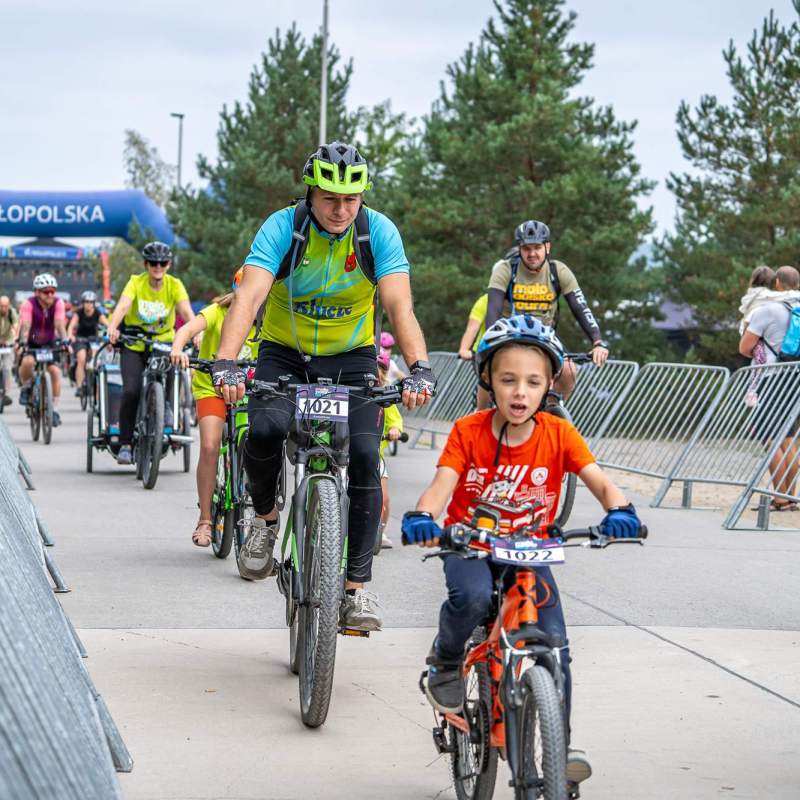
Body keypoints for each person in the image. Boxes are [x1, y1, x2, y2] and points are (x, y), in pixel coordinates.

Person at [401, 314, 643, 788]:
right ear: (487, 378)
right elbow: (442, 484)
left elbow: (599, 481)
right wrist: (423, 517)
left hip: (532, 550)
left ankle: (560, 749)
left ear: (549, 384)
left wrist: (621, 510)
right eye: (508, 379)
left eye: (532, 382)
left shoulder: (559, 434)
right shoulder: (469, 431)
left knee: (557, 646)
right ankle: (446, 662)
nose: (519, 392)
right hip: (469, 543)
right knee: (470, 601)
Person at [212, 141, 435, 630]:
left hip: (352, 360)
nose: (340, 209)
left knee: (364, 459)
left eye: (350, 200)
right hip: (283, 354)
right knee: (265, 431)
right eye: (330, 198)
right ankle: (266, 522)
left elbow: (400, 307)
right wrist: (226, 362)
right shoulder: (282, 229)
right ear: (311, 193)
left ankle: (356, 591)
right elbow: (249, 298)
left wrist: (418, 368)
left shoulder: (378, 234)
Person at [171, 268, 259, 547]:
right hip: (212, 386)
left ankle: (258, 513)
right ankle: (206, 519)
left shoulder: (267, 317)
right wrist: (177, 348)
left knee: (260, 444)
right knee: (210, 445)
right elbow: (187, 329)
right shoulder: (217, 311)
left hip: (249, 390)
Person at [485, 220, 608, 401]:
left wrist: (597, 341)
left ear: (547, 247)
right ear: (519, 249)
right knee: (490, 374)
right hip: (510, 334)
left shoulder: (558, 271)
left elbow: (581, 308)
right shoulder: (506, 269)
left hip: (544, 335)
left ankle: (549, 413)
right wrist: (492, 343)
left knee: (568, 370)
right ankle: (481, 412)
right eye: (526, 248)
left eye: (537, 248)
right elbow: (493, 310)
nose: (532, 253)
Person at [106, 241, 194, 466]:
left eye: (162, 263)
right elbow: (123, 306)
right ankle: (126, 443)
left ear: (168, 264)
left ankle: (166, 408)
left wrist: (196, 332)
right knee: (131, 391)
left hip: (163, 343)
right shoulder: (136, 282)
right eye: (153, 263)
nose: (158, 267)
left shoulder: (174, 285)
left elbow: (186, 311)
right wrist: (112, 328)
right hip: (134, 343)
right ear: (146, 264)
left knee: (175, 364)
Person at [739, 265, 800, 510]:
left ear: (776, 283)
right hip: (795, 377)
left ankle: (779, 497)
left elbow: (745, 347)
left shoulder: (768, 309)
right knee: (788, 439)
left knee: (770, 437)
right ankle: (791, 497)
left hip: (771, 377)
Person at [18, 274, 68, 425]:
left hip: (49, 342)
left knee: (55, 371)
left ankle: (54, 409)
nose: (51, 295)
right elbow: (25, 326)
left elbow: (59, 324)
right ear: (37, 292)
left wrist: (65, 341)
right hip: (32, 341)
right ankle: (27, 387)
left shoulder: (58, 303)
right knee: (27, 362)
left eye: (53, 291)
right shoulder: (28, 304)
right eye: (47, 292)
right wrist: (22, 343)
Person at [377, 348, 404, 549]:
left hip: (374, 455)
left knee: (383, 497)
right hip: (344, 453)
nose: (377, 375)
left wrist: (394, 429)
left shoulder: (384, 399)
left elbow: (395, 420)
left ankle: (381, 530)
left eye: (381, 371)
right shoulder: (351, 393)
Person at [67, 290, 108, 396]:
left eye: (91, 302)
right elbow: (71, 326)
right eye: (86, 302)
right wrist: (70, 336)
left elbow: (108, 324)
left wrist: (111, 332)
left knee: (94, 360)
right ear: (83, 303)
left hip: (94, 339)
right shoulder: (79, 313)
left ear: (94, 303)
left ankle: (94, 382)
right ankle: (79, 387)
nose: (88, 304)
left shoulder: (98, 313)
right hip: (81, 339)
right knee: (81, 359)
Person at [457, 293, 492, 410]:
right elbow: (472, 328)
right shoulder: (485, 300)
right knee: (487, 382)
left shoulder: (521, 301)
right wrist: (464, 349)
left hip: (512, 353)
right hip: (484, 352)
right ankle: (480, 414)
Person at [0, 295, 19, 406]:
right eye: (1, 306)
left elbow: (15, 326)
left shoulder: (12, 313)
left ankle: (7, 393)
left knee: (7, 368)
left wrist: (14, 338)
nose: (3, 309)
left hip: (8, 342)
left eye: (5, 306)